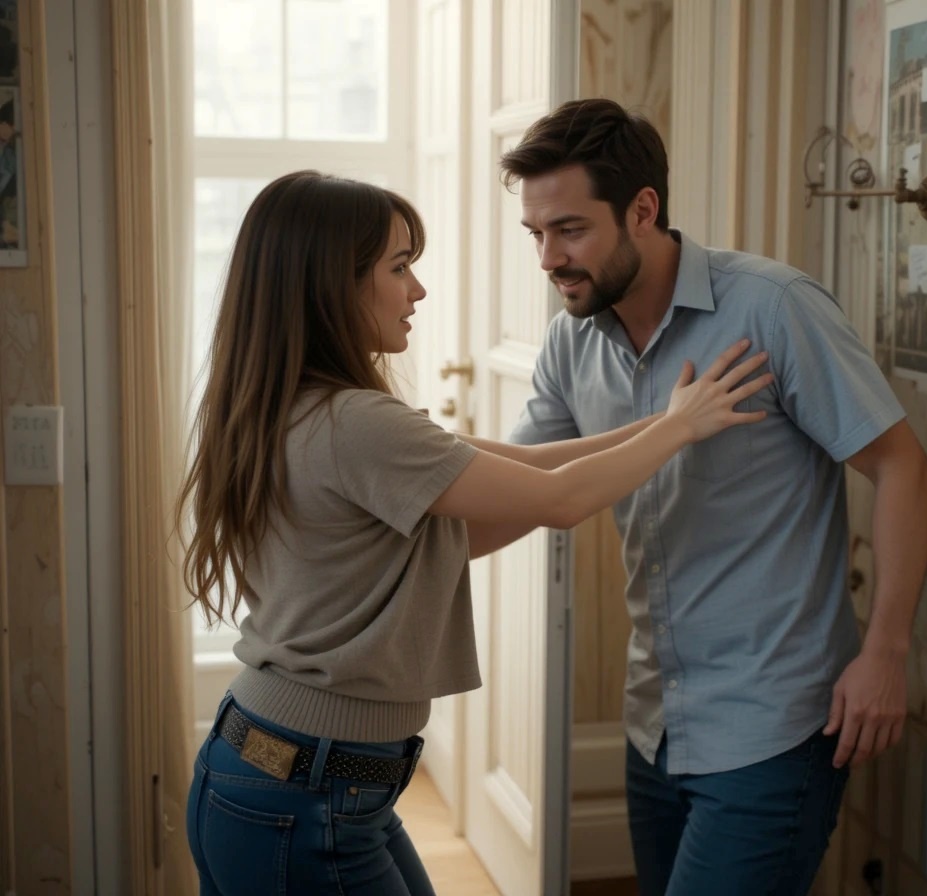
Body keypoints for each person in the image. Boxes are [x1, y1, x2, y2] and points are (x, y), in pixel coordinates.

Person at [177, 169, 774, 895]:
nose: (417, 290)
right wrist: (678, 430)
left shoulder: (296, 406)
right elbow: (558, 498)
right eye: (400, 267)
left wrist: (667, 419)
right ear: (333, 284)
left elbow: (528, 467)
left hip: (287, 776)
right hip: (306, 795)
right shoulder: (356, 424)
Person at [499, 98, 927, 896]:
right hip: (654, 720)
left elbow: (903, 468)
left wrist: (886, 654)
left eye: (569, 229)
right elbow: (524, 486)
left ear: (642, 210)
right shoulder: (571, 339)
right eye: (535, 233)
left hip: (773, 725)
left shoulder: (772, 308)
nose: (548, 258)